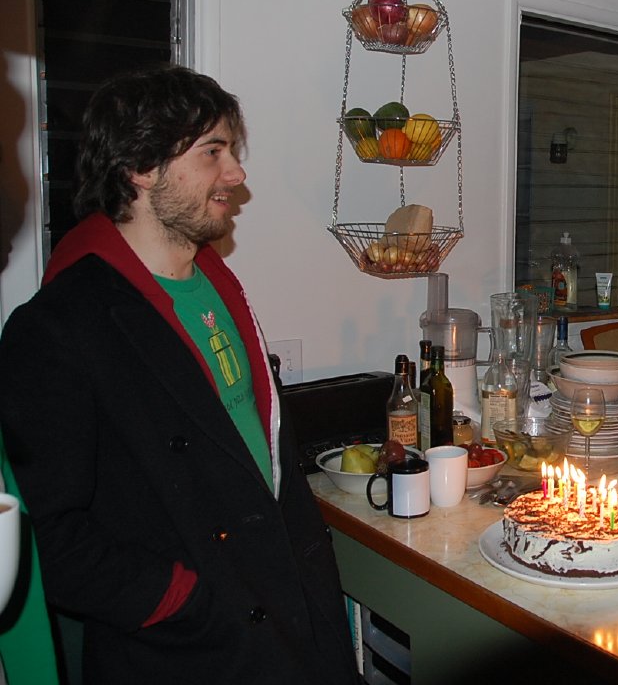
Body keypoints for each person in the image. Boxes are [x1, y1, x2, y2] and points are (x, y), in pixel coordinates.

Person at [0, 65, 360, 683]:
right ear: (141, 167)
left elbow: (263, 464)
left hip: (292, 618)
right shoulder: (58, 325)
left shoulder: (222, 288)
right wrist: (182, 602)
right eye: (212, 152)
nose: (236, 174)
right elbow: (50, 535)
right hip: (185, 651)